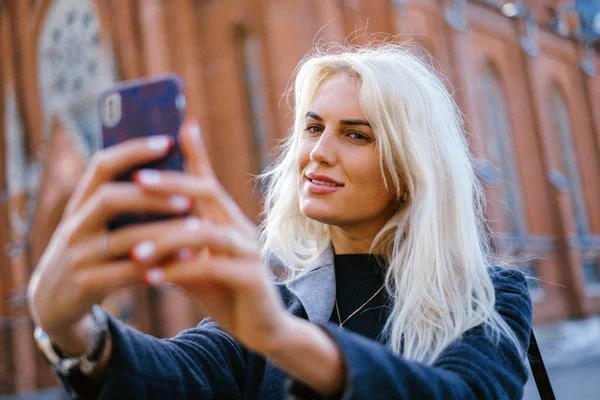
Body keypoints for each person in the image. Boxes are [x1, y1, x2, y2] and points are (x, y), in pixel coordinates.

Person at [27, 43, 532, 399]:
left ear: (410, 168)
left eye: (355, 135)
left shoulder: (487, 297)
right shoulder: (285, 300)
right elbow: (177, 375)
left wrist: (283, 339)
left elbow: (463, 392)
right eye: (313, 128)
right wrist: (73, 330)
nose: (318, 153)